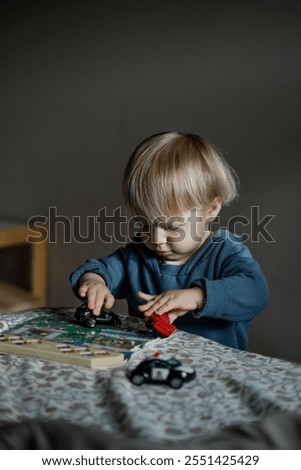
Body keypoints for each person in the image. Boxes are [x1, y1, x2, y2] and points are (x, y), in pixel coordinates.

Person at [70, 132, 269, 350]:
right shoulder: (137, 256)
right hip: (148, 362)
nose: (156, 239)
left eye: (172, 227)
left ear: (211, 210)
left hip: (214, 371)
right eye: (144, 224)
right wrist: (94, 282)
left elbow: (256, 292)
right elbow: (97, 269)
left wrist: (198, 297)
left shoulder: (226, 251)